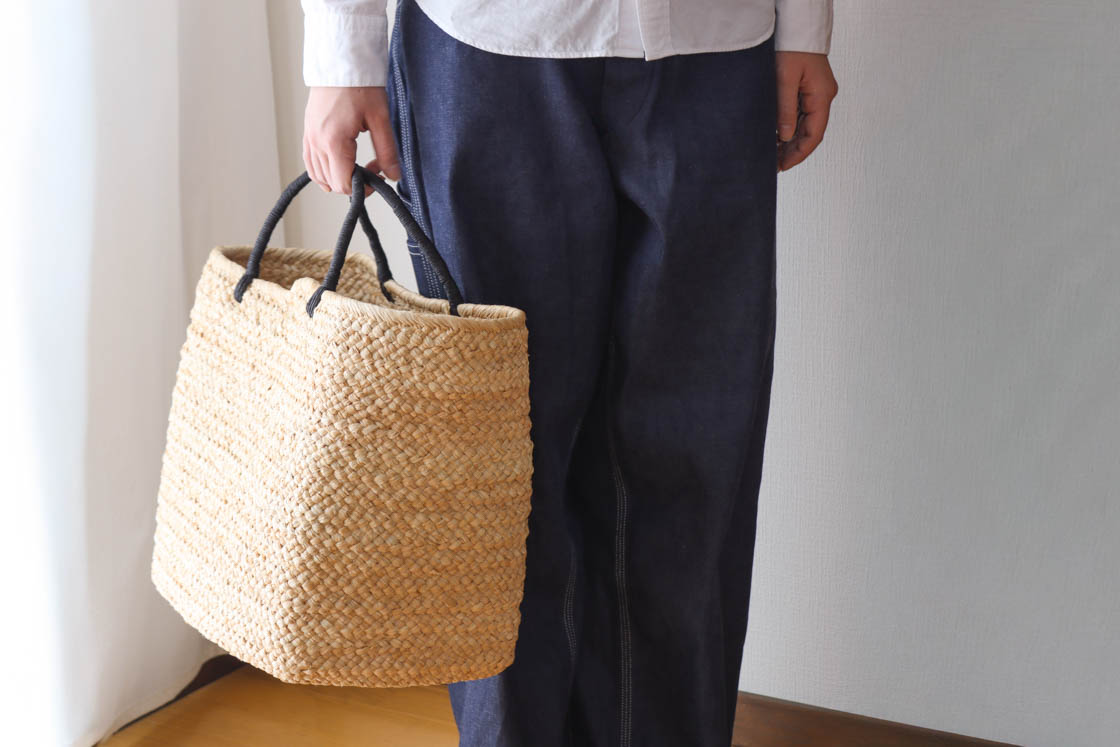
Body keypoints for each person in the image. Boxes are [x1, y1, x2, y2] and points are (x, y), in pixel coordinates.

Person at [300, 1, 838, 745]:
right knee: (498, 480)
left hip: (716, 41)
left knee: (693, 462)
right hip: (485, 45)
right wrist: (342, 51)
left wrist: (805, 25)